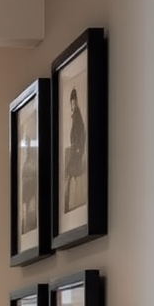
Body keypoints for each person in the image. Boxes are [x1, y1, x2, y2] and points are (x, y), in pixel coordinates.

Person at [64, 86, 87, 214]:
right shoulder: (74, 117)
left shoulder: (77, 117)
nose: (73, 105)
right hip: (75, 150)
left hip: (77, 151)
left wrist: (78, 149)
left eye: (74, 102)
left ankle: (72, 202)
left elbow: (80, 134)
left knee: (70, 172)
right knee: (69, 172)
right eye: (71, 103)